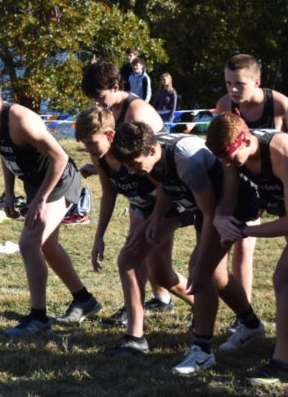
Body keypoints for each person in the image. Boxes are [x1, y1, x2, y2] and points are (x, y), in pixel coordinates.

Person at [110, 121, 263, 376]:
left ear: (151, 150)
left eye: (134, 164)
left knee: (201, 270)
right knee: (216, 275)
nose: (132, 171)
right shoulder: (149, 156)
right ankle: (251, 324)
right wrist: (157, 217)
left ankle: (202, 351)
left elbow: (210, 212)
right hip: (203, 205)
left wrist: (201, 262)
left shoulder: (186, 160)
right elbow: (165, 186)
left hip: (230, 206)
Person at [0, 67, 100, 337]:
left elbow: (59, 158)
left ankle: (39, 318)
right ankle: (84, 300)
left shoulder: (22, 120)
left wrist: (41, 200)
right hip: (36, 183)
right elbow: (6, 154)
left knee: (28, 243)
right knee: (47, 246)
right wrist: (9, 193)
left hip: (60, 181)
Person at [74, 107, 193, 355]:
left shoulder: (132, 155)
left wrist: (154, 221)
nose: (89, 149)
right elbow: (109, 194)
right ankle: (202, 306)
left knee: (128, 260)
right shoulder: (101, 159)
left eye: (91, 143)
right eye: (85, 144)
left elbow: (165, 188)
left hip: (166, 208)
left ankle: (135, 337)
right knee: (160, 275)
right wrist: (99, 237)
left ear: (109, 134)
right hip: (142, 211)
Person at [81, 61, 174, 313]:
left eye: (100, 97)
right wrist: (101, 165)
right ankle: (154, 302)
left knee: (145, 257)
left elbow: (152, 159)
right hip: (138, 193)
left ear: (115, 86)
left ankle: (152, 305)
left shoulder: (136, 112)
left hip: (162, 189)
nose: (97, 104)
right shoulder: (107, 113)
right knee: (143, 256)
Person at [206, 112, 288, 384]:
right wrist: (220, 218)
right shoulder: (233, 157)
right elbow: (228, 201)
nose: (227, 164)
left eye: (230, 157)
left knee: (284, 280)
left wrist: (246, 231)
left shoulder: (280, 152)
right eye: (222, 159)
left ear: (246, 139)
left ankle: (281, 365)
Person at [214, 53, 288, 306]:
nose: (233, 89)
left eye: (239, 84)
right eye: (228, 83)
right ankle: (245, 317)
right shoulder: (225, 106)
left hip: (280, 177)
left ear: (257, 82)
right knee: (242, 242)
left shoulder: (279, 104)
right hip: (248, 180)